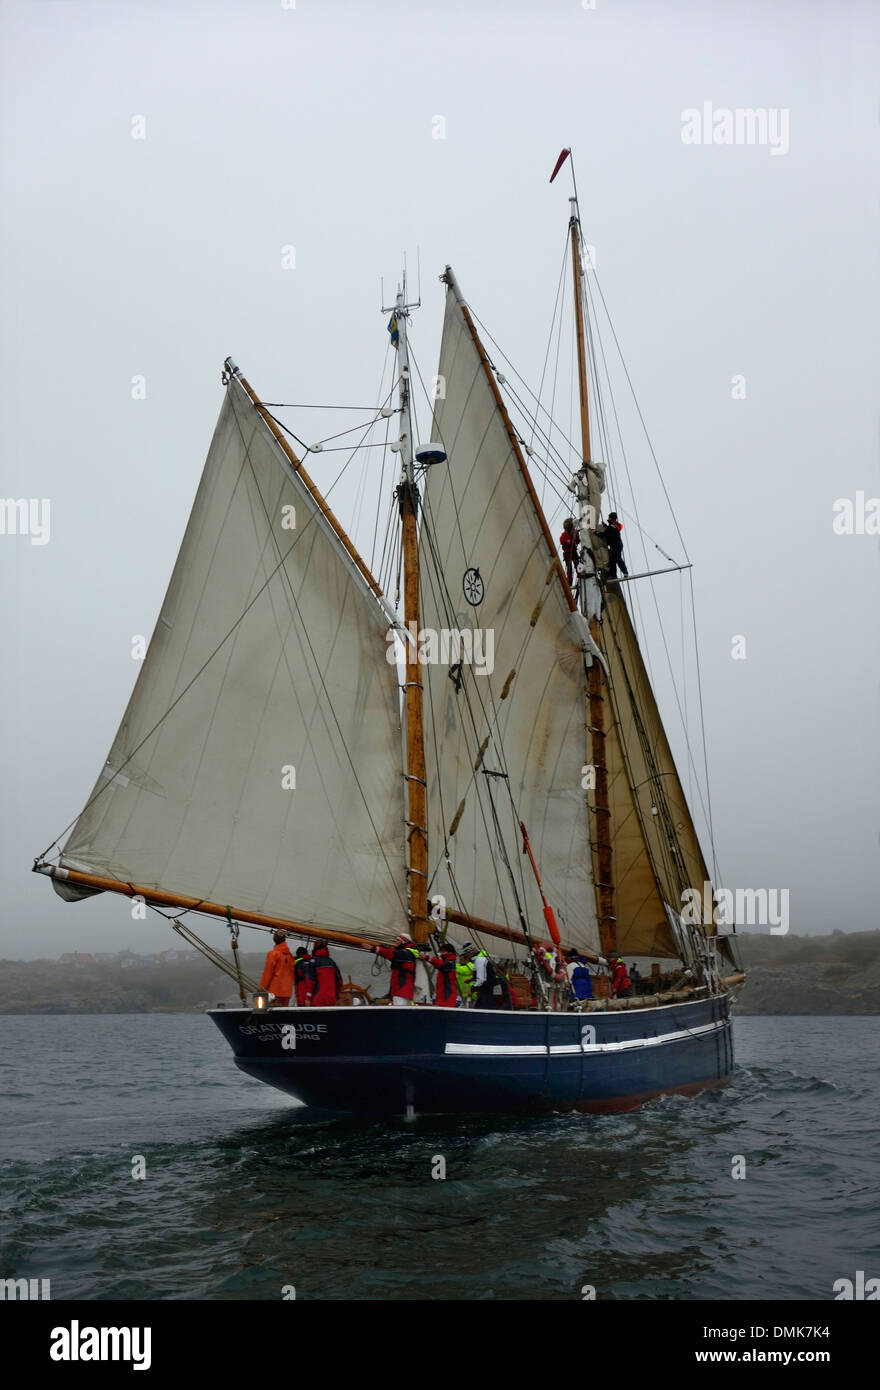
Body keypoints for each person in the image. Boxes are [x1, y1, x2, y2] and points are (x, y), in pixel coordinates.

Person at [370, 933, 421, 1005]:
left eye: (398, 940)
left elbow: (390, 953)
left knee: (399, 1009)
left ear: (403, 942)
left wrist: (375, 949)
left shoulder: (404, 953)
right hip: (406, 991)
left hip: (400, 990)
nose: (395, 942)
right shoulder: (410, 954)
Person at [461, 943, 506, 1009]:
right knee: (479, 1008)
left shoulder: (479, 960)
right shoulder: (480, 959)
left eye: (466, 956)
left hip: (489, 991)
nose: (467, 958)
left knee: (483, 1009)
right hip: (490, 989)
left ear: (470, 954)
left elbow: (481, 980)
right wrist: (472, 979)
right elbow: (485, 974)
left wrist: (472, 990)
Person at [259, 929, 295, 1007]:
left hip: (274, 992)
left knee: (271, 1016)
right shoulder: (290, 956)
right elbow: (292, 973)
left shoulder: (273, 954)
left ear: (274, 939)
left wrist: (261, 988)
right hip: (287, 992)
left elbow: (267, 973)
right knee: (282, 1016)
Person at [420, 943, 460, 1008]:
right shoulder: (448, 962)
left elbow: (441, 965)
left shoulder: (450, 963)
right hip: (442, 996)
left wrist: (427, 957)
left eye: (443, 951)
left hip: (446, 997)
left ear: (450, 952)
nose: (441, 953)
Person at [310, 941, 343, 1005]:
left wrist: (307, 998)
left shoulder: (313, 961)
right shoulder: (331, 962)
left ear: (314, 949)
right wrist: (337, 995)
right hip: (331, 999)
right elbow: (340, 981)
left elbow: (309, 982)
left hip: (317, 1000)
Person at [598, 512, 628, 580]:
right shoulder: (613, 526)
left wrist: (595, 532)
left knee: (617, 559)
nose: (608, 518)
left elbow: (604, 534)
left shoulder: (612, 527)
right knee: (612, 560)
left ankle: (625, 572)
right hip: (616, 546)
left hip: (616, 546)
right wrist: (605, 525)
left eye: (609, 517)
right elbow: (610, 530)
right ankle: (613, 575)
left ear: (611, 518)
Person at [559, 517, 579, 585]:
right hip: (568, 553)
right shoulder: (565, 534)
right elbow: (562, 541)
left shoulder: (574, 533)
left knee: (577, 564)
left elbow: (577, 541)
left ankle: (580, 575)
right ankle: (569, 581)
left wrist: (576, 535)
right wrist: (570, 541)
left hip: (574, 552)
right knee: (569, 568)